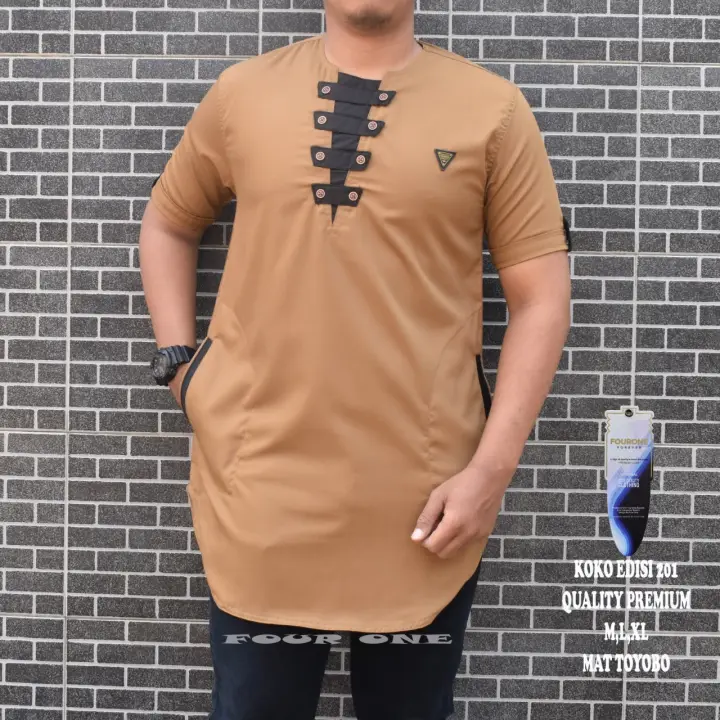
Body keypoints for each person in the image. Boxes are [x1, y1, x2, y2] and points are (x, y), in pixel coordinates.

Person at [139, 0, 572, 717]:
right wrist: (182, 364)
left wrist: (489, 474)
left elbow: (542, 300)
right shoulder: (242, 94)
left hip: (425, 506)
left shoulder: (492, 111)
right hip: (260, 491)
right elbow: (168, 222)